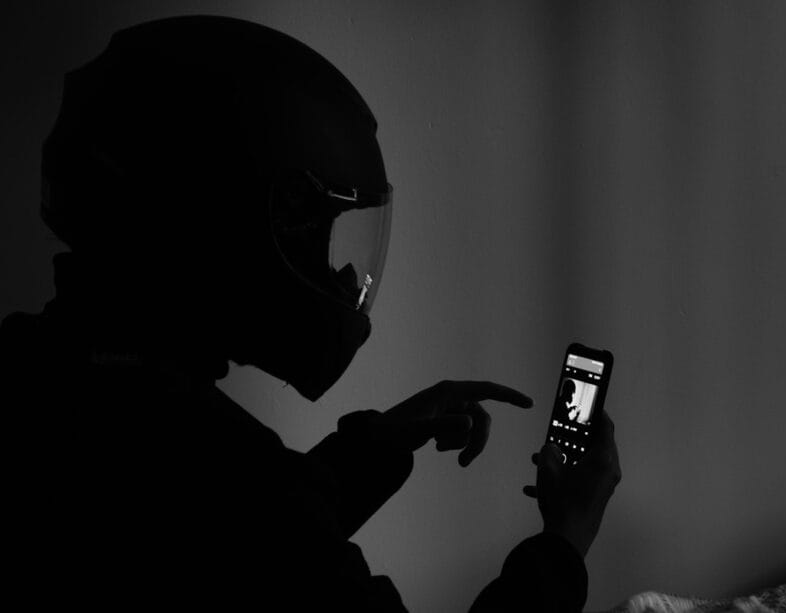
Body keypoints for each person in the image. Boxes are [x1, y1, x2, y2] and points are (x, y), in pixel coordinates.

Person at [1, 16, 621, 611]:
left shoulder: (36, 371)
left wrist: (376, 446)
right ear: (221, 221)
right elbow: (251, 529)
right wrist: (565, 540)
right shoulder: (228, 481)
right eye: (311, 233)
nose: (344, 279)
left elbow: (229, 548)